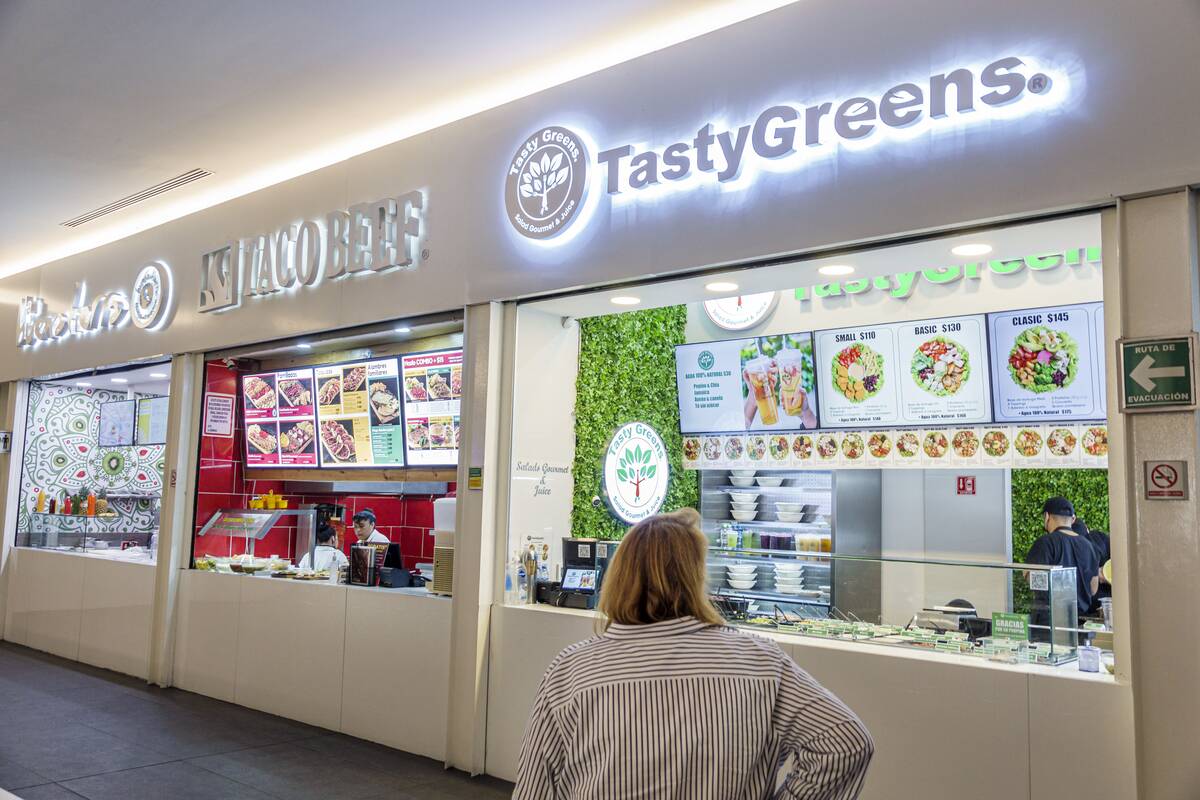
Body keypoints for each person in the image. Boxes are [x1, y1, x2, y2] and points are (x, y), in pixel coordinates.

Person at [514, 508, 873, 800]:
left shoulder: (571, 670)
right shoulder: (761, 661)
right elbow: (846, 743)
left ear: (618, 577)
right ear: (696, 578)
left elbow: (534, 789)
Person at [1027, 497, 1100, 620]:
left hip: (1049, 620)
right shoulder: (1089, 546)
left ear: (1047, 516)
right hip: (1079, 620)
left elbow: (1032, 579)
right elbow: (1093, 589)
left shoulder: (1045, 543)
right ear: (1073, 519)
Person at [1072, 518, 1112, 614]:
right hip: (1107, 601)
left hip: (1088, 605)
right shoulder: (1100, 537)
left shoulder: (1071, 548)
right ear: (1087, 528)